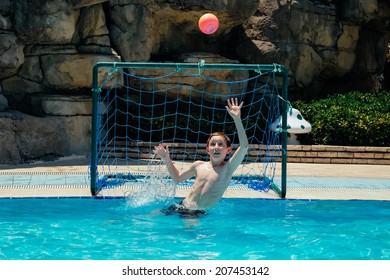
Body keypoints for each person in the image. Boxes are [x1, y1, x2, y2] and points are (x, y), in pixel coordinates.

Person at [153, 98, 249, 217]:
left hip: (197, 212)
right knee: (151, 217)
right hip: (182, 205)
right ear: (208, 150)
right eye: (213, 144)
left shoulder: (227, 169)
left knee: (189, 233)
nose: (216, 147)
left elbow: (244, 146)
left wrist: (237, 119)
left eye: (220, 145)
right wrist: (167, 159)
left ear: (228, 150)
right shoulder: (198, 165)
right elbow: (177, 178)